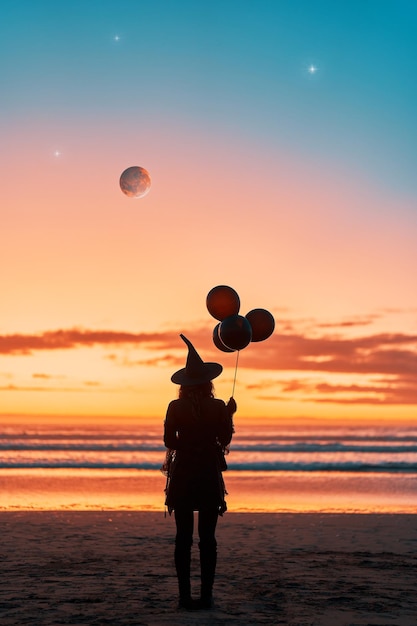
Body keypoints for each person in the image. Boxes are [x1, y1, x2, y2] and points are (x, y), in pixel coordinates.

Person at [163, 334, 236, 610]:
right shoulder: (217, 407)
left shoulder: (175, 407)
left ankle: (184, 598)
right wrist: (229, 414)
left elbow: (170, 441)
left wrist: (188, 445)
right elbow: (224, 439)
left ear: (184, 384)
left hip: (182, 475)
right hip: (208, 474)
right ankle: (206, 597)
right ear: (208, 383)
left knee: (183, 538)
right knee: (208, 539)